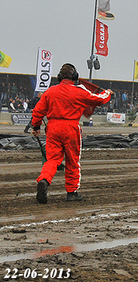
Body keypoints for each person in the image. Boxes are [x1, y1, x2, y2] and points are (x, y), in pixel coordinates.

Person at [31, 63, 112, 204]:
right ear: (75, 77)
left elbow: (38, 111)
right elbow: (99, 100)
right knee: (72, 160)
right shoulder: (79, 91)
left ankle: (44, 179)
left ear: (59, 77)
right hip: (71, 128)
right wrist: (108, 93)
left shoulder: (50, 91)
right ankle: (71, 192)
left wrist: (36, 126)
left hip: (53, 128)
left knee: (52, 160)